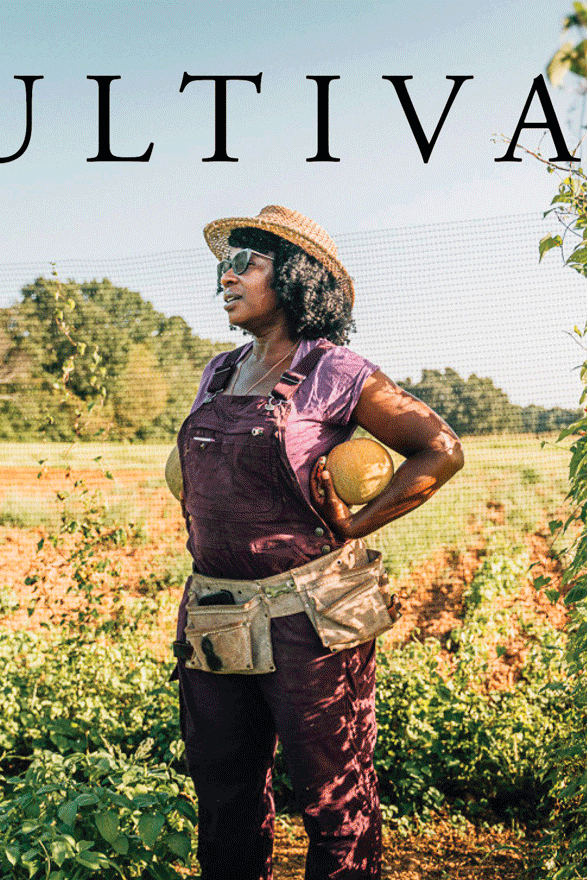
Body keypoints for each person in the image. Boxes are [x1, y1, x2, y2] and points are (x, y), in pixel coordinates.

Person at [172, 205, 464, 880]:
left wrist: (360, 524)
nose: (227, 274)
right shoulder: (216, 373)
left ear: (298, 279)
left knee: (334, 800)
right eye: (224, 262)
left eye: (247, 262)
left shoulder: (339, 372)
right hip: (216, 611)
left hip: (312, 617)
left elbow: (440, 449)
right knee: (223, 796)